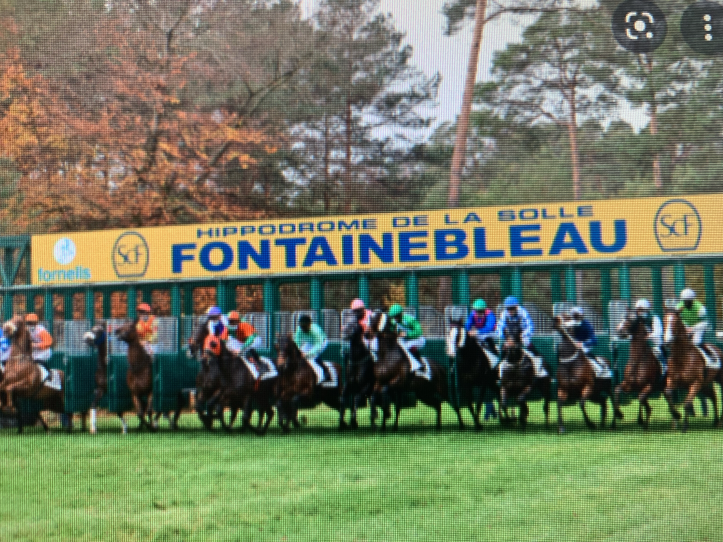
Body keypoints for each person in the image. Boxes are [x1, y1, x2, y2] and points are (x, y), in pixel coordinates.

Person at [464, 298, 498, 420]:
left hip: (491, 334)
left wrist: (476, 331)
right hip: (478, 334)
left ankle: (496, 361)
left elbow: (489, 327)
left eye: (480, 311)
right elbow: (467, 325)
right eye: (476, 310)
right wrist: (468, 331)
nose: (478, 313)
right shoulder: (472, 314)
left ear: (484, 310)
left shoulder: (490, 314)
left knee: (484, 337)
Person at [388, 304, 425, 375]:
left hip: (418, 339)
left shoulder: (409, 319)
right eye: (394, 317)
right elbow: (391, 330)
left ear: (400, 314)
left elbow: (419, 331)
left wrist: (406, 334)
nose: (395, 319)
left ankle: (418, 365)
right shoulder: (394, 321)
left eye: (396, 316)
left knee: (405, 346)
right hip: (407, 340)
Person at [293, 314, 330, 384]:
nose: (303, 328)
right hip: (309, 342)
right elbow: (297, 342)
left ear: (309, 324)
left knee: (312, 357)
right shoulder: (299, 329)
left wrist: (306, 354)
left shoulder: (316, 331)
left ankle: (324, 373)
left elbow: (317, 346)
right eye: (301, 326)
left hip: (321, 343)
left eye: (304, 326)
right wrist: (298, 351)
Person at [630, 298, 665, 368]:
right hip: (641, 345)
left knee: (660, 358)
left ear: (646, 309)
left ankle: (663, 368)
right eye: (637, 310)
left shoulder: (654, 318)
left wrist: (649, 336)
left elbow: (659, 332)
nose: (638, 312)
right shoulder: (636, 320)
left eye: (640, 310)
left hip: (654, 344)